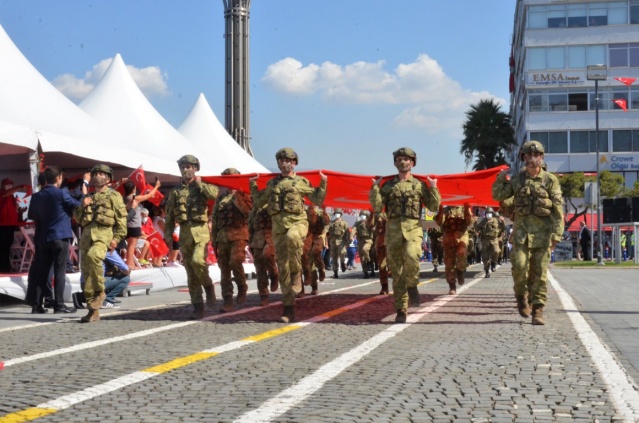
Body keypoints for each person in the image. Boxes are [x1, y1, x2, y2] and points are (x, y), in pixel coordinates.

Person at [250, 148, 327, 323]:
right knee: (282, 267)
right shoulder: (272, 184)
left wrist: (323, 184)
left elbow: (317, 199)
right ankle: (288, 309)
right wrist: (253, 186)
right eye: (281, 160)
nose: (284, 163)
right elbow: (259, 201)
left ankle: (297, 274)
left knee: (293, 238)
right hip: (278, 228)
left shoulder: (301, 182)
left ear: (294, 163)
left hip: (298, 223)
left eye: (288, 160)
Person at [492, 140, 564, 325]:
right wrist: (501, 177)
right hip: (522, 234)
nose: (533, 159)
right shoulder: (517, 180)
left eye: (537, 155)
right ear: (524, 158)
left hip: (543, 234)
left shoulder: (550, 180)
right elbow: (498, 195)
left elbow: (557, 209)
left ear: (542, 157)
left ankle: (538, 310)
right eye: (529, 155)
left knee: (539, 273)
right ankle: (521, 298)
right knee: (519, 267)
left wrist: (556, 235)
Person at [369, 147, 441, 323]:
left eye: (406, 159)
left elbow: (433, 206)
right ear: (395, 163)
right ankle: (401, 309)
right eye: (399, 159)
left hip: (413, 227)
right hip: (392, 229)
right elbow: (378, 207)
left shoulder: (419, 185)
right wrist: (375, 188)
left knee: (412, 256)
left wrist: (433, 188)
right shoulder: (388, 186)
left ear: (412, 163)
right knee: (397, 271)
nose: (403, 161)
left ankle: (413, 285)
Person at [165, 155, 218, 320]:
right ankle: (198, 306)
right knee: (191, 273)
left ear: (196, 168)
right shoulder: (175, 192)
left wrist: (200, 184)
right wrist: (168, 236)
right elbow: (169, 216)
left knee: (198, 261)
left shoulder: (202, 186)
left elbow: (214, 195)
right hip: (185, 233)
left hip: (200, 231)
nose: (186, 169)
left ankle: (208, 285)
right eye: (183, 167)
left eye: (189, 166)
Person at [27, 166, 85, 314]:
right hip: (59, 236)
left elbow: (32, 215)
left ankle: (37, 305)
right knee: (59, 271)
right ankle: (59, 305)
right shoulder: (61, 193)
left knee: (42, 271)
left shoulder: (36, 196)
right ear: (58, 178)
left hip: (42, 237)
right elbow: (78, 206)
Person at [74, 164, 127, 323]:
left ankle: (100, 293)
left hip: (103, 235)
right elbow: (79, 219)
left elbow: (122, 221)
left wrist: (116, 238)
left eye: (102, 174)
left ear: (108, 179)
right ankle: (93, 310)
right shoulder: (88, 196)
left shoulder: (114, 196)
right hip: (87, 237)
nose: (97, 176)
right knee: (86, 273)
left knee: (94, 257)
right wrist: (83, 206)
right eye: (95, 173)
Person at [211, 167, 253, 313]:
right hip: (222, 237)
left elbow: (247, 212)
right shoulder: (220, 199)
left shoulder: (244, 195)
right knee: (224, 269)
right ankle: (227, 298)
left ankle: (242, 285)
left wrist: (237, 195)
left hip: (239, 235)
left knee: (235, 261)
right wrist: (213, 240)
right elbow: (215, 220)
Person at [434, 203, 474, 295]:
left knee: (462, 253)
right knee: (449, 263)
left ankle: (460, 270)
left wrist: (467, 209)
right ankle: (452, 286)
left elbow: (470, 222)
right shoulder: (445, 210)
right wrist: (440, 210)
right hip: (448, 237)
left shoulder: (464, 208)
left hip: (461, 235)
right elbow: (439, 222)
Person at [121, 179, 161, 270]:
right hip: (134, 225)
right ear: (133, 189)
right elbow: (150, 195)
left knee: (130, 245)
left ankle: (131, 263)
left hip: (128, 225)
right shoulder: (135, 198)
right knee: (132, 245)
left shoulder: (124, 198)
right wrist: (156, 186)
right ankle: (129, 264)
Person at [248, 203, 279, 306]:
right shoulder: (255, 209)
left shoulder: (274, 203)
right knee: (260, 268)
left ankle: (274, 274)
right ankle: (263, 295)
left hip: (271, 237)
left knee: (268, 256)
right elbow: (250, 226)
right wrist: (250, 242)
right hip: (257, 239)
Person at [0, 178, 30, 273]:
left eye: (10, 184)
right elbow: (6, 193)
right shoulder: (2, 193)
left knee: (7, 246)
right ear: (2, 186)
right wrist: (20, 187)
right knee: (3, 246)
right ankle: (3, 267)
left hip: (10, 224)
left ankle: (6, 266)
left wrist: (18, 209)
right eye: (7, 185)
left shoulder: (12, 196)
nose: (9, 186)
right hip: (3, 224)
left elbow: (14, 208)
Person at [301, 205, 330, 296]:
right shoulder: (303, 212)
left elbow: (326, 222)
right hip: (305, 238)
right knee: (304, 264)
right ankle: (300, 290)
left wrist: (324, 211)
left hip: (318, 237)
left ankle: (321, 270)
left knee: (315, 253)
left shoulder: (320, 213)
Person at [476, 207, 501, 278]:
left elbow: (502, 228)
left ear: (492, 214)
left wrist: (503, 223)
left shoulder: (496, 220)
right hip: (485, 240)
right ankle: (487, 271)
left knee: (496, 251)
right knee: (485, 256)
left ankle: (494, 263)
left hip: (494, 239)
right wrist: (475, 222)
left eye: (489, 213)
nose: (488, 214)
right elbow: (477, 229)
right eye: (487, 213)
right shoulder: (483, 221)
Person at [352, 210, 375, 278]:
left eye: (364, 215)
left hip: (368, 241)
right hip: (360, 241)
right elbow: (354, 229)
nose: (362, 217)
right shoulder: (357, 223)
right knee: (362, 258)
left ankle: (370, 265)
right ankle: (365, 272)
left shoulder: (369, 222)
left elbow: (374, 229)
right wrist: (351, 236)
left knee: (365, 250)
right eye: (361, 215)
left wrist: (369, 224)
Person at [328, 208, 350, 278]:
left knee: (342, 253)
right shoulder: (332, 223)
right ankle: (335, 272)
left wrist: (347, 242)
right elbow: (329, 232)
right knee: (334, 257)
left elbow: (347, 233)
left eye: (338, 214)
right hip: (333, 241)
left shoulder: (344, 223)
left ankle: (343, 262)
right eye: (336, 214)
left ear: (341, 215)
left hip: (341, 241)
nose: (337, 215)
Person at [372, 211, 390, 295]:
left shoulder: (394, 208)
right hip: (380, 242)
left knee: (394, 266)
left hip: (392, 241)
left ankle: (401, 288)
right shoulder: (377, 212)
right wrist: (371, 214)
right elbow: (370, 225)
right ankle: (384, 287)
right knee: (381, 266)